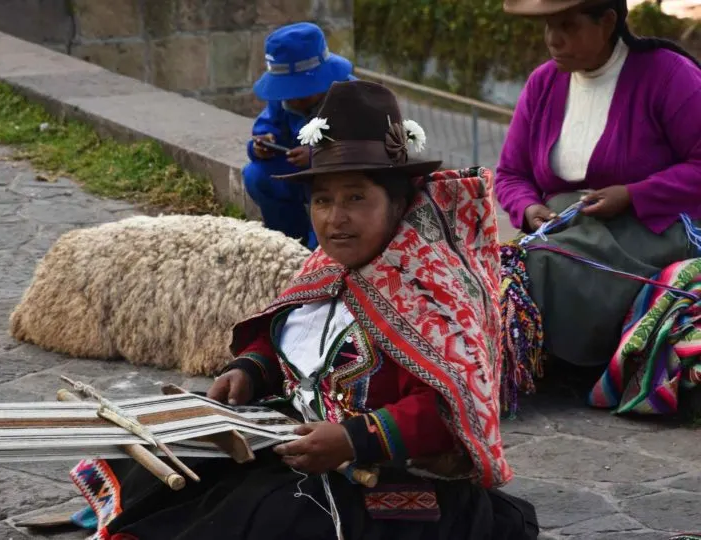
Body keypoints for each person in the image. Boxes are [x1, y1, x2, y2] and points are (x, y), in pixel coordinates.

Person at [70, 81, 539, 540]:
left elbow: (451, 409)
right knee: (174, 451)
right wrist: (250, 371)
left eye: (356, 197)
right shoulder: (326, 267)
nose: (336, 218)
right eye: (322, 199)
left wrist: (354, 440)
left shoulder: (435, 290)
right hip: (294, 439)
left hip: (393, 475)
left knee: (276, 511)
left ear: (398, 201)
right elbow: (286, 341)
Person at [495, 0, 701, 380]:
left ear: (607, 22)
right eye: (548, 27)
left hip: (649, 228)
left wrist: (633, 194)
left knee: (544, 265)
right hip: (569, 228)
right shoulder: (544, 83)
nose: (553, 40)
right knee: (515, 262)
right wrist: (527, 208)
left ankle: (541, 365)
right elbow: (510, 173)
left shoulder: (668, 75)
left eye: (568, 26)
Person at [243, 22, 355, 249]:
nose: (292, 99)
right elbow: (267, 126)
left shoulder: (353, 97)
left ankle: (317, 251)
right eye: (286, 92)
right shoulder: (282, 99)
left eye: (298, 92)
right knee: (256, 175)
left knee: (322, 241)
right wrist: (261, 145)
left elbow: (364, 148)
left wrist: (318, 155)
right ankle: (289, 240)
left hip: (341, 182)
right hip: (298, 177)